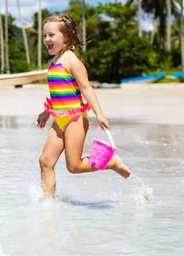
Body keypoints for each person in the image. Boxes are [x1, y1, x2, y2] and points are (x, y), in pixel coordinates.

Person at [36, 14, 130, 199]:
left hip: (75, 119)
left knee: (74, 166)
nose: (47, 39)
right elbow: (58, 93)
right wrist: (46, 112)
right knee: (45, 161)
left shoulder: (71, 60)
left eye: (52, 35)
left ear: (67, 36)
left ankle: (110, 162)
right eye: (45, 36)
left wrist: (100, 115)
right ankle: (47, 203)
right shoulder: (51, 63)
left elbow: (86, 89)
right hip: (60, 118)